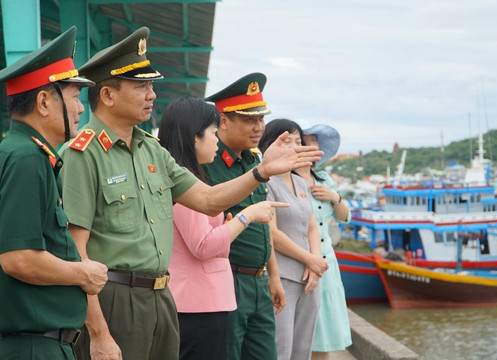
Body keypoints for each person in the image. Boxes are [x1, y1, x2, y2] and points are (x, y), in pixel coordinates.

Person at [59, 28, 322, 360]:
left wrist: (261, 172)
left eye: (152, 85)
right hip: (114, 299)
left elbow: (209, 199)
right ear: (108, 95)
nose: (152, 95)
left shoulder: (151, 151)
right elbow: (76, 255)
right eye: (141, 86)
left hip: (162, 297)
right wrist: (98, 334)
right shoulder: (83, 154)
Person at [0, 27, 108, 360]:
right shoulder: (26, 159)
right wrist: (82, 272)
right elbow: (18, 258)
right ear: (45, 101)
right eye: (75, 97)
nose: (80, 109)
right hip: (32, 346)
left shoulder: (28, 154)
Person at [158, 97, 288, 360]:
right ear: (194, 138)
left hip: (215, 296)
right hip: (198, 301)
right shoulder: (189, 182)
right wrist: (245, 217)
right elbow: (203, 245)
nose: (216, 140)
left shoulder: (201, 175)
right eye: (213, 133)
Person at [204, 73, 297, 360]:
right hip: (226, 279)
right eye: (248, 119)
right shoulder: (207, 163)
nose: (258, 127)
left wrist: (274, 276)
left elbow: (264, 222)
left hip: (258, 280)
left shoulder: (255, 161)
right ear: (223, 121)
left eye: (261, 119)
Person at [258, 119, 328, 360]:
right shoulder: (266, 182)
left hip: (309, 275)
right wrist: (310, 259)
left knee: (303, 347)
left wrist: (315, 262)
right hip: (283, 276)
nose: (294, 147)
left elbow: (311, 226)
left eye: (298, 142)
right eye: (287, 142)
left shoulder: (300, 182)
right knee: (282, 346)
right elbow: (272, 233)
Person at [296, 124, 352, 360]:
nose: (312, 145)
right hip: (298, 260)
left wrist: (335, 197)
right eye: (307, 140)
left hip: (326, 260)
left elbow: (344, 217)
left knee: (325, 330)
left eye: (315, 141)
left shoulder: (324, 178)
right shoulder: (286, 179)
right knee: (299, 329)